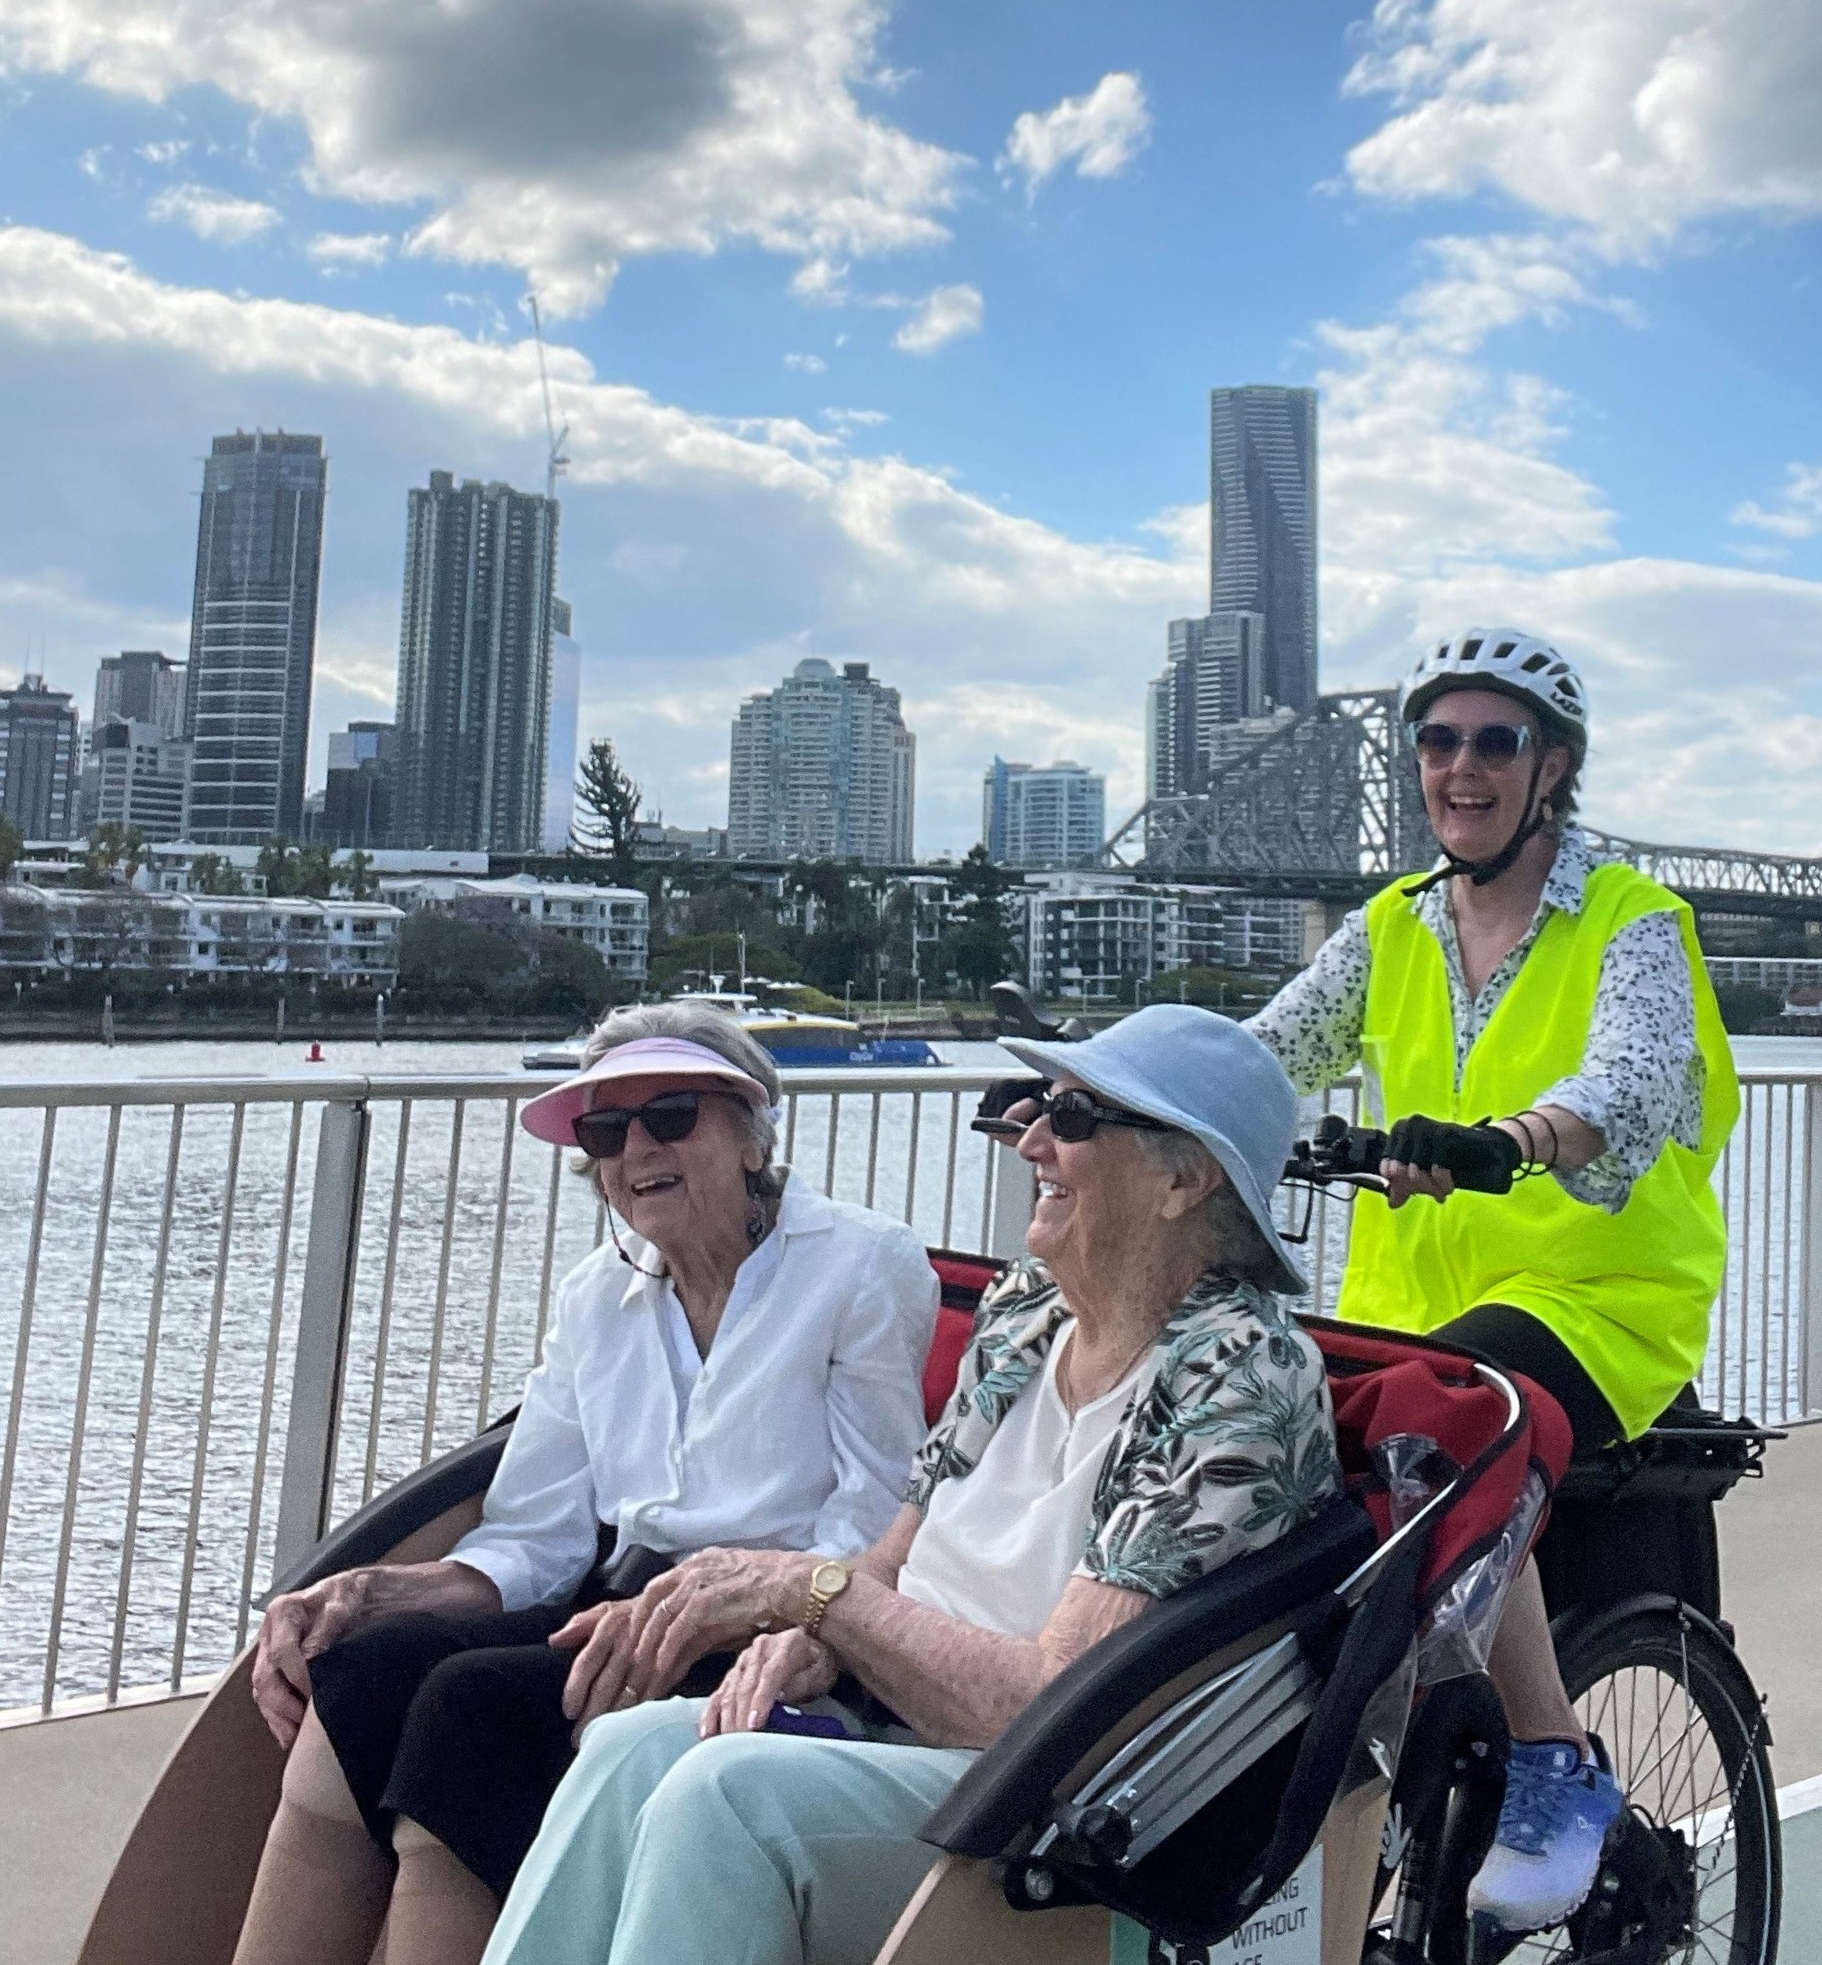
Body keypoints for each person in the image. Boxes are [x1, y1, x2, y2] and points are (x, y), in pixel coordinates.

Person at [480, 1005, 1340, 1965]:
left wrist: (813, 1596)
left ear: (1186, 1178)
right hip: (915, 1743)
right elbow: (891, 1561)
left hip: (1053, 1819)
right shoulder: (1027, 1314)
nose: (1034, 1139)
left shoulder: (1241, 1373)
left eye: (1078, 1117)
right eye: (1032, 1108)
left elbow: (1054, 1705)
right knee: (627, 1748)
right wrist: (810, 1643)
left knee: (723, 1794)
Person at [231, 1003, 940, 1965]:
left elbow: (871, 1526)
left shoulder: (861, 1265)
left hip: (785, 1630)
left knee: (467, 1709)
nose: (637, 1147)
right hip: (620, 1605)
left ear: (749, 1128)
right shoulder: (593, 1298)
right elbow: (536, 1537)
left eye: (672, 1114)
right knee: (355, 1676)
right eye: (608, 1130)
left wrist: (723, 1608)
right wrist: (373, 1591)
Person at [1247, 626, 1739, 1936]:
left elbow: (1629, 1081)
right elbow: (1263, 1050)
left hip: (1598, 1301)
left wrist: (1507, 1139)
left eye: (1492, 740)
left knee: (1445, 1408)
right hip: (1412, 1316)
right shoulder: (1389, 928)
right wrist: (1102, 1091)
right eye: (1435, 738)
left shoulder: (1631, 920)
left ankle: (1550, 1759)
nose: (1455, 765)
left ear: (1549, 766)